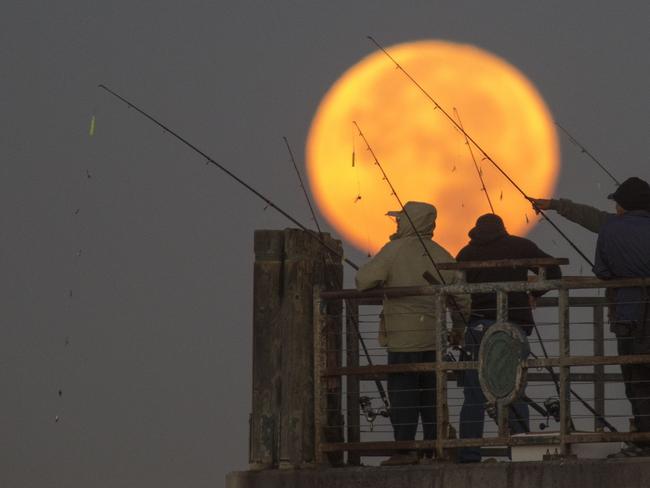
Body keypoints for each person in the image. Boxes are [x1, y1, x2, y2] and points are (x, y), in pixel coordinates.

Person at [355, 201, 470, 466]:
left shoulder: (394, 251)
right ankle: (433, 449)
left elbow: (362, 281)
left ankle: (404, 450)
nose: (396, 224)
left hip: (402, 340)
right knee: (432, 395)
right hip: (434, 339)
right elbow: (462, 299)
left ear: (409, 222)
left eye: (399, 220)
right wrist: (458, 330)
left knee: (403, 395)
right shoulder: (442, 254)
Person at [455, 213, 562, 463]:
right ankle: (521, 451)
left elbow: (457, 293)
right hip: (513, 326)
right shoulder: (519, 245)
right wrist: (533, 293)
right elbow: (554, 271)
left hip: (478, 327)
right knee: (515, 389)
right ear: (503, 227)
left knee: (473, 394)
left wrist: (458, 328)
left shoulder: (466, 253)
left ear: (475, 230)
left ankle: (469, 455)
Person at [592, 177, 650, 457]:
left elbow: (601, 270)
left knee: (636, 380)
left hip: (628, 316)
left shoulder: (610, 229)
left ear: (624, 205)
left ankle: (644, 438)